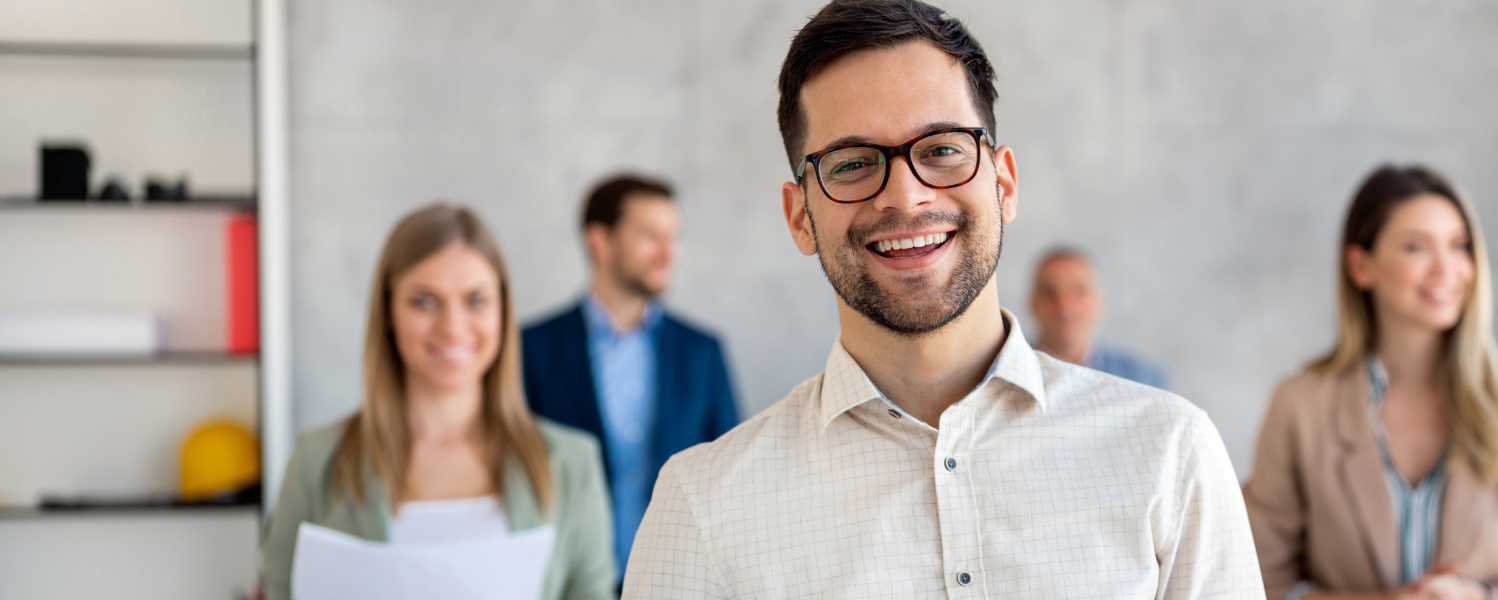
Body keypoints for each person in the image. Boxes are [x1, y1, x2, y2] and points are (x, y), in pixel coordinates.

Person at [619, 0, 1263, 597]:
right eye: (851, 163)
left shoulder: (1170, 455)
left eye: (943, 150)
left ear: (1004, 184)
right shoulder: (702, 504)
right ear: (800, 218)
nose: (905, 196)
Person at [1241, 166, 1498, 600]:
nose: (1446, 268)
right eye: (1416, 247)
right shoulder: (1300, 405)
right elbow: (1257, 582)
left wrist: (1482, 598)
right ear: (1361, 267)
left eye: (1460, 246)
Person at [260, 204, 614, 600]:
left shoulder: (571, 464)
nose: (452, 327)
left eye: (476, 300)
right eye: (425, 301)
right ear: (389, 313)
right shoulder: (316, 463)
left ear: (502, 310)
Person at [520, 174, 741, 579]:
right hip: (568, 581)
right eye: (651, 236)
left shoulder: (701, 353)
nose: (668, 252)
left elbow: (732, 480)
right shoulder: (530, 350)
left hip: (681, 582)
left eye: (673, 237)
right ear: (600, 241)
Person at [1029, 247, 1168, 388]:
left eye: (1079, 290)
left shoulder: (1144, 380)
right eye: (1049, 291)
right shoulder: (1008, 371)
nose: (1065, 304)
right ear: (1032, 302)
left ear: (1100, 300)